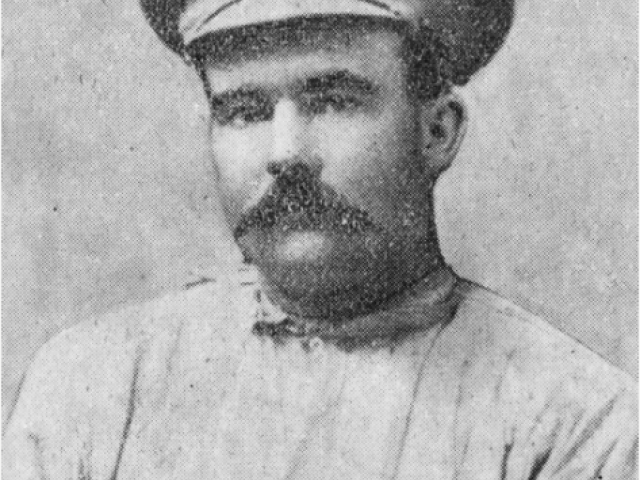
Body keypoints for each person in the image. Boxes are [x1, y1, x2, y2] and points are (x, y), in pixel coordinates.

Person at [5, 0, 637, 478]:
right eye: (244, 111)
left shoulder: (577, 421)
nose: (285, 154)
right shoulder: (92, 389)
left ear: (437, 131)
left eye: (334, 100)